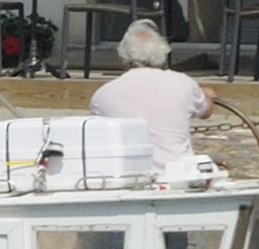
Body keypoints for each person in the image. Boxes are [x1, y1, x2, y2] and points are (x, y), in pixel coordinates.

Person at [88, 16, 206, 166]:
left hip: (129, 177)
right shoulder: (183, 83)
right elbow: (206, 110)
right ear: (162, 53)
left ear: (121, 56)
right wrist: (208, 94)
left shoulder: (103, 95)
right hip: (178, 176)